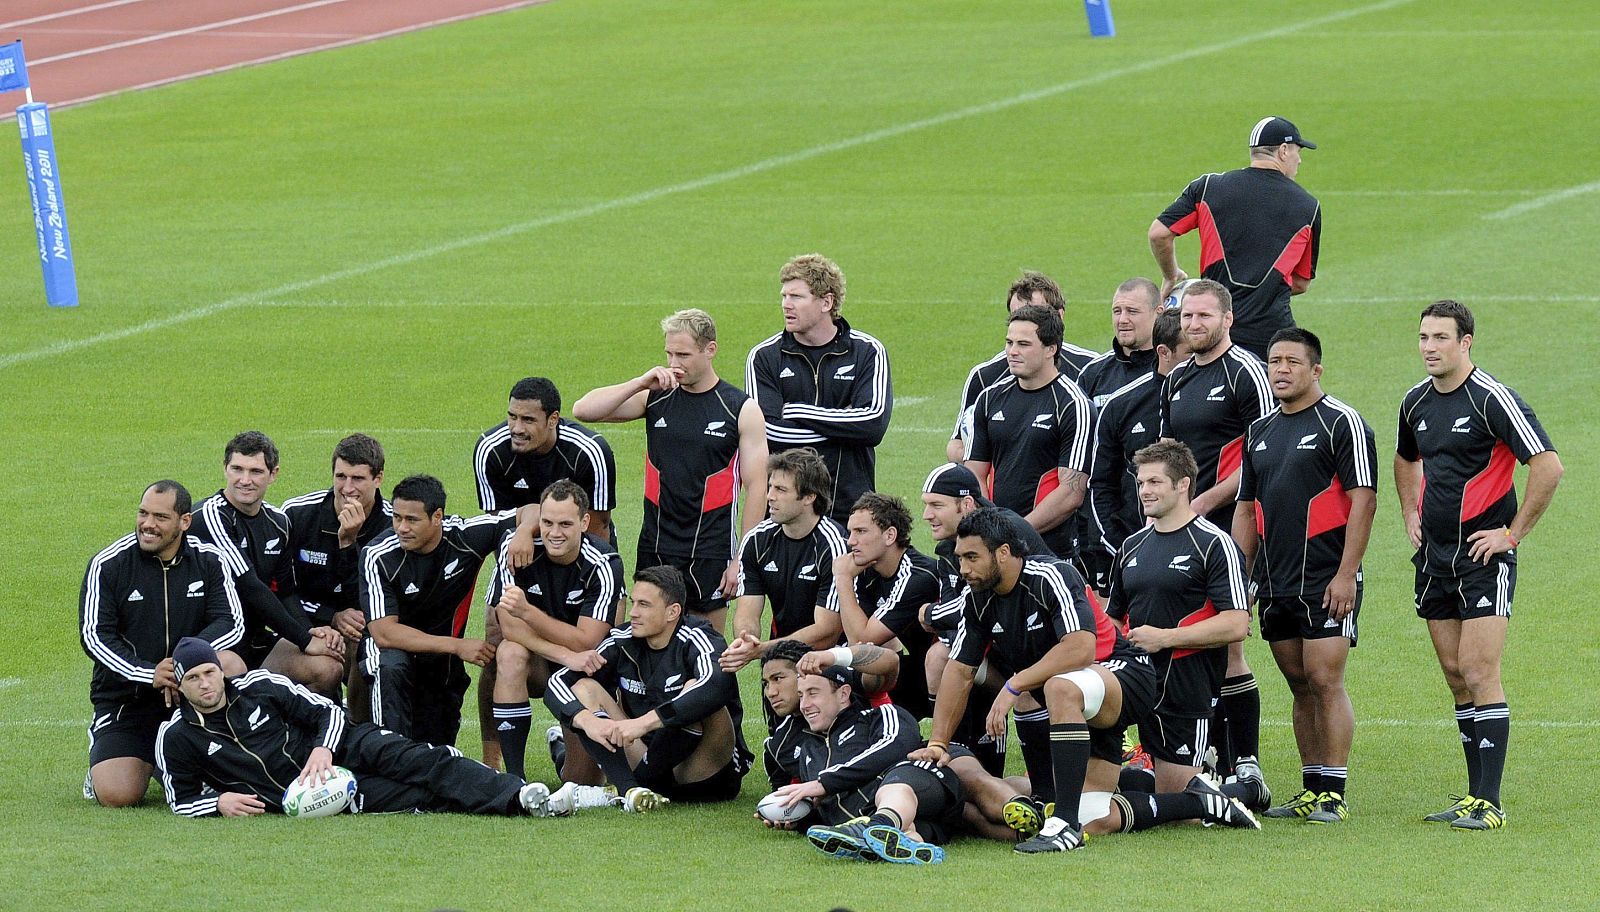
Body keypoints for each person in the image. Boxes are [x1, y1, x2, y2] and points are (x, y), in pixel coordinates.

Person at [917, 508, 1248, 854]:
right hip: (1078, 698)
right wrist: (939, 742)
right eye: (960, 558)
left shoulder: (1051, 575)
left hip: (1124, 674)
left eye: (972, 557)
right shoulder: (977, 599)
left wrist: (1014, 685)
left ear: (1003, 553)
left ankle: (1064, 825)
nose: (964, 568)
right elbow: (959, 670)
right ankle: (1204, 803)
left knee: (1059, 686)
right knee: (1097, 816)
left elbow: (1080, 648)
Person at [1395, 300, 1561, 830]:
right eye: (1424, 337)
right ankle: (1472, 795)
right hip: (1434, 559)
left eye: (1440, 338)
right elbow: (1405, 458)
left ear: (1466, 342)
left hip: (1484, 558)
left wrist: (1512, 534)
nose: (1429, 347)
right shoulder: (1415, 401)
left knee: (1479, 670)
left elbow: (1548, 466)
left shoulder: (1492, 399)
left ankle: (1490, 802)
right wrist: (1409, 513)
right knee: (1454, 675)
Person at [154, 638, 568, 818]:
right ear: (181, 683)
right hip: (313, 795)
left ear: (219, 670)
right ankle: (513, 801)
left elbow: (328, 713)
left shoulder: (260, 686)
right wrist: (218, 803)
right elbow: (180, 798)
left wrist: (322, 750)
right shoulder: (176, 737)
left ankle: (518, 795)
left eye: (209, 672)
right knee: (417, 796)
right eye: (193, 679)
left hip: (344, 746)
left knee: (421, 760)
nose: (205, 684)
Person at [1232, 328, 1376, 824]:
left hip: (1325, 578)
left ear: (1316, 369)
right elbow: (1247, 510)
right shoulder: (1260, 431)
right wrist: (1240, 579)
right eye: (1275, 361)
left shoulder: (1343, 423)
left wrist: (1346, 574)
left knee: (1324, 678)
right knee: (1298, 683)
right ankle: (1312, 785)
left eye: (1293, 361)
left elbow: (1363, 500)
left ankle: (1333, 791)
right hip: (1274, 582)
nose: (1281, 370)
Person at [575, 308, 768, 631]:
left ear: (710, 350)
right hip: (656, 544)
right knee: (647, 640)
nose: (674, 363)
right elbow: (584, 410)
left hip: (710, 549)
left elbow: (758, 487)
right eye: (669, 353)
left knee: (705, 643)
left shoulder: (740, 408)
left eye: (683, 354)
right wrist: (639, 383)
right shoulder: (655, 397)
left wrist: (742, 560)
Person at [1157, 281, 1272, 793]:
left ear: (1228, 319)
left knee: (1227, 644)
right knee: (1189, 640)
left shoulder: (1247, 372)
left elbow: (1263, 455)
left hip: (1228, 527)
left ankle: (1244, 762)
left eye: (1205, 315)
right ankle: (1205, 760)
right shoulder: (1178, 376)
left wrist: (1202, 503)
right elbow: (1170, 454)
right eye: (1187, 317)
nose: (1194, 324)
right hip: (1184, 528)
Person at [1109, 442, 1259, 811]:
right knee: (1108, 785)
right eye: (1141, 482)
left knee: (1177, 808)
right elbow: (1113, 616)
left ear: (1183, 485)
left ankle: (1246, 791)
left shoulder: (1214, 544)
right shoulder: (1131, 546)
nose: (1144, 490)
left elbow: (1237, 623)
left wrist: (1165, 639)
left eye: (1155, 482)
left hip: (1186, 683)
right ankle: (1204, 777)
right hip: (1136, 678)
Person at [79, 481, 247, 807]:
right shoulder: (108, 564)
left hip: (191, 694)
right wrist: (149, 673)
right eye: (143, 514)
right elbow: (95, 636)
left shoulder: (210, 560)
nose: (147, 525)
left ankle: (181, 752)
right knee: (118, 795)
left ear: (184, 522)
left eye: (160, 517)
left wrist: (182, 665)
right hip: (128, 699)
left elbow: (231, 621)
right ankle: (126, 763)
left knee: (232, 664)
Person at [545, 566, 753, 811]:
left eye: (644, 605)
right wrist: (589, 722)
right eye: (633, 603)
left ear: (672, 612)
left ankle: (621, 788)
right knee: (584, 688)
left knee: (694, 688)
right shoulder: (622, 640)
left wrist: (643, 723)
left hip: (701, 771)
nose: (632, 613)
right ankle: (629, 791)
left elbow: (716, 685)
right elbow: (557, 684)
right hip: (643, 752)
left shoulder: (698, 637)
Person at [360, 474, 535, 747]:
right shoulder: (378, 554)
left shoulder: (464, 537)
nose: (401, 528)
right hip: (393, 654)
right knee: (390, 671)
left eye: (412, 520)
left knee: (436, 752)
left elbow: (532, 511)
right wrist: (456, 646)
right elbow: (384, 633)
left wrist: (523, 532)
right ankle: (389, 768)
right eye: (397, 518)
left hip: (442, 667)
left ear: (437, 516)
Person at [1148, 115, 1322, 359]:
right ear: (1283, 151)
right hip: (1270, 337)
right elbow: (1301, 283)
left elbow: (1159, 234)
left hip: (1213, 333)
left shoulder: (1208, 187)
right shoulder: (1308, 206)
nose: (1299, 159)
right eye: (1297, 151)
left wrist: (1171, 274)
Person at [188, 431, 344, 696]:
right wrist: (304, 639)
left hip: (257, 643)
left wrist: (310, 631)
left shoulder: (278, 523)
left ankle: (319, 735)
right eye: (237, 469)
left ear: (274, 474)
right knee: (233, 670)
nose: (244, 480)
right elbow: (251, 587)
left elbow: (284, 591)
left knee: (327, 667)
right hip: (214, 644)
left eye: (256, 471)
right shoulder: (209, 518)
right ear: (225, 469)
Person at [486, 480, 623, 783]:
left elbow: (588, 640)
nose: (554, 533)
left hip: (585, 670)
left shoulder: (604, 562)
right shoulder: (518, 547)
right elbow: (508, 625)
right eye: (547, 523)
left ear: (584, 522)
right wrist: (560, 653)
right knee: (508, 652)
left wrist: (529, 613)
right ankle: (515, 779)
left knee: (582, 782)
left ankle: (562, 750)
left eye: (565, 524)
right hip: (545, 661)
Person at [747, 254, 892, 522]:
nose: (785, 305)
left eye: (796, 297)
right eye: (783, 296)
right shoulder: (764, 356)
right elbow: (767, 431)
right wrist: (844, 430)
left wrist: (795, 411)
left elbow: (872, 425)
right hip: (786, 514)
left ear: (827, 302)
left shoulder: (867, 351)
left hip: (850, 510)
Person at [759, 667, 952, 865]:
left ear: (843, 694)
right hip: (900, 816)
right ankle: (907, 844)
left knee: (895, 783)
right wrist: (797, 816)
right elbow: (828, 808)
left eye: (813, 693)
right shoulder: (810, 750)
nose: (804, 705)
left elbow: (898, 743)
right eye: (801, 695)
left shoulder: (876, 716)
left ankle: (875, 828)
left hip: (920, 786)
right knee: (908, 827)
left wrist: (825, 783)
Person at [964, 304, 1094, 561]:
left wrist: (1016, 533)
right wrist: (993, 531)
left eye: (1023, 344)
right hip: (995, 547)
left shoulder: (1072, 405)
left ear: (1051, 349)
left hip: (1050, 551)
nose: (1012, 352)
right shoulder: (989, 399)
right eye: (1009, 342)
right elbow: (973, 475)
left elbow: (1071, 492)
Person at [281, 433, 392, 721]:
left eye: (357, 478)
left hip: (364, 627)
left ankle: (357, 730)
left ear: (378, 478)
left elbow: (382, 596)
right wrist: (329, 617)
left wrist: (348, 544)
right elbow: (279, 590)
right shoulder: (296, 515)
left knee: (363, 643)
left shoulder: (394, 525)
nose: (347, 488)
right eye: (340, 476)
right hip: (302, 624)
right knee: (327, 659)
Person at [948, 270, 1100, 464]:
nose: (1024, 321)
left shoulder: (1090, 368)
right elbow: (957, 444)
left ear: (1059, 316)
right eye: (1016, 315)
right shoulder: (985, 376)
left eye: (1035, 313)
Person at [720, 448, 849, 674]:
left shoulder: (833, 545)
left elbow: (828, 630)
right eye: (770, 487)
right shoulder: (757, 541)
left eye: (780, 489)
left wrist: (763, 650)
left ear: (809, 497)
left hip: (827, 658)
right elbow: (747, 611)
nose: (769, 496)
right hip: (777, 654)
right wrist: (747, 639)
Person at [1087, 308, 1186, 592]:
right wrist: (1120, 546)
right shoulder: (1121, 405)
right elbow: (1100, 484)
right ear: (1165, 352)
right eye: (1190, 352)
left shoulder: (1206, 404)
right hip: (1126, 548)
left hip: (1194, 549)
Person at [832, 492, 943, 718]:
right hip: (918, 668)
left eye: (860, 532)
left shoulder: (917, 576)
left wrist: (842, 579)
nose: (850, 541)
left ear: (890, 535)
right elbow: (862, 643)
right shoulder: (868, 571)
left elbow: (861, 640)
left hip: (952, 671)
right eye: (850, 532)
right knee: (839, 674)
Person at [474, 376, 617, 539]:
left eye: (528, 420)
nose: (517, 429)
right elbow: (498, 526)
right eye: (513, 417)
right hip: (524, 543)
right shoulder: (491, 450)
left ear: (553, 419)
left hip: (580, 546)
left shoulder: (589, 452)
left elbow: (598, 527)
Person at [1077, 277, 1162, 407]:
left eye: (1132, 311)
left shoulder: (1172, 368)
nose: (1122, 320)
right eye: (1117, 311)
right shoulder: (1093, 373)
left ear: (1158, 314)